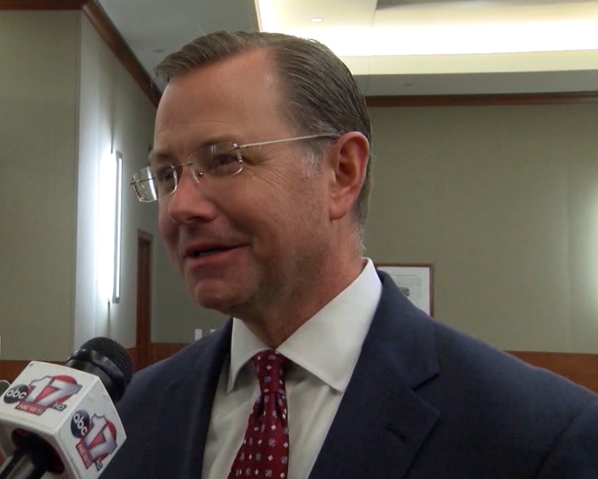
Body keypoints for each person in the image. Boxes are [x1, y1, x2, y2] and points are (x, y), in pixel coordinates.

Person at [107, 31, 598, 479]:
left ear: (342, 172)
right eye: (167, 175)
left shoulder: (537, 435)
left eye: (224, 160)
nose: (181, 207)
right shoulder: (132, 414)